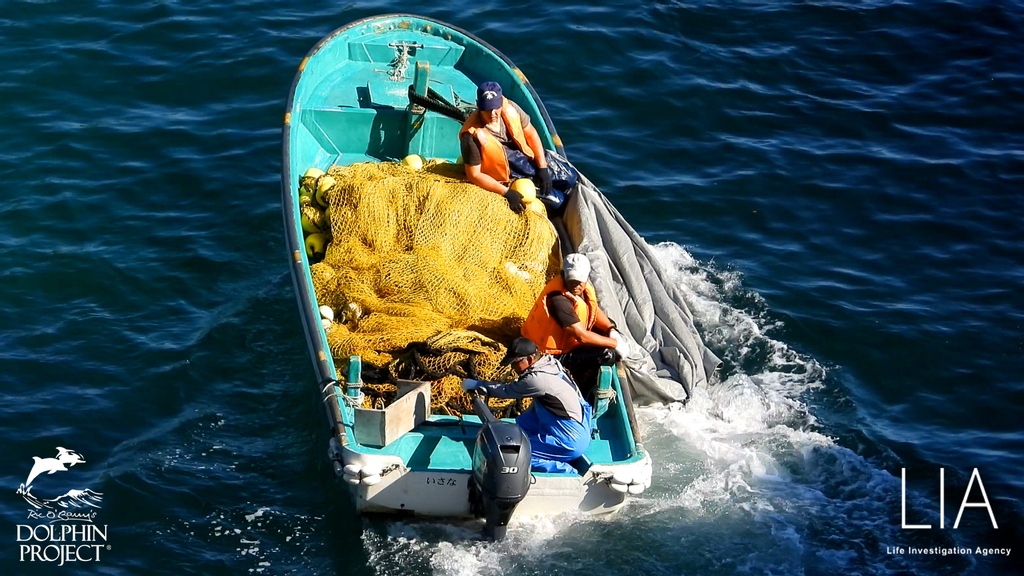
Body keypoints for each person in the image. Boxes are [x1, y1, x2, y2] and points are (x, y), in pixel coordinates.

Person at [462, 337, 591, 473]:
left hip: (569, 440)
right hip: (578, 426)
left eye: (515, 363)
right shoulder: (551, 365)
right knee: (532, 413)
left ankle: (569, 473)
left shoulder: (537, 380)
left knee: (517, 455)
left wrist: (476, 385)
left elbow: (505, 391)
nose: (513, 368)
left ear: (529, 360)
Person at [521, 253, 630, 394]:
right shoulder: (558, 300)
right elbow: (581, 336)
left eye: (580, 281)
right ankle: (582, 392)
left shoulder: (581, 288)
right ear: (563, 275)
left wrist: (611, 330)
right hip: (549, 355)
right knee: (606, 354)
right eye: (572, 280)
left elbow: (594, 310)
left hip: (568, 342)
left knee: (608, 328)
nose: (576, 285)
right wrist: (615, 344)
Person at [459, 81, 575, 214]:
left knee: (571, 177)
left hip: (525, 156)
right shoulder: (470, 136)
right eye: (487, 109)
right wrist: (507, 192)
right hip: (507, 173)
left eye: (495, 108)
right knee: (559, 202)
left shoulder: (511, 108)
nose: (492, 114)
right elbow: (474, 175)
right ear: (479, 106)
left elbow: (531, 133)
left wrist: (542, 167)